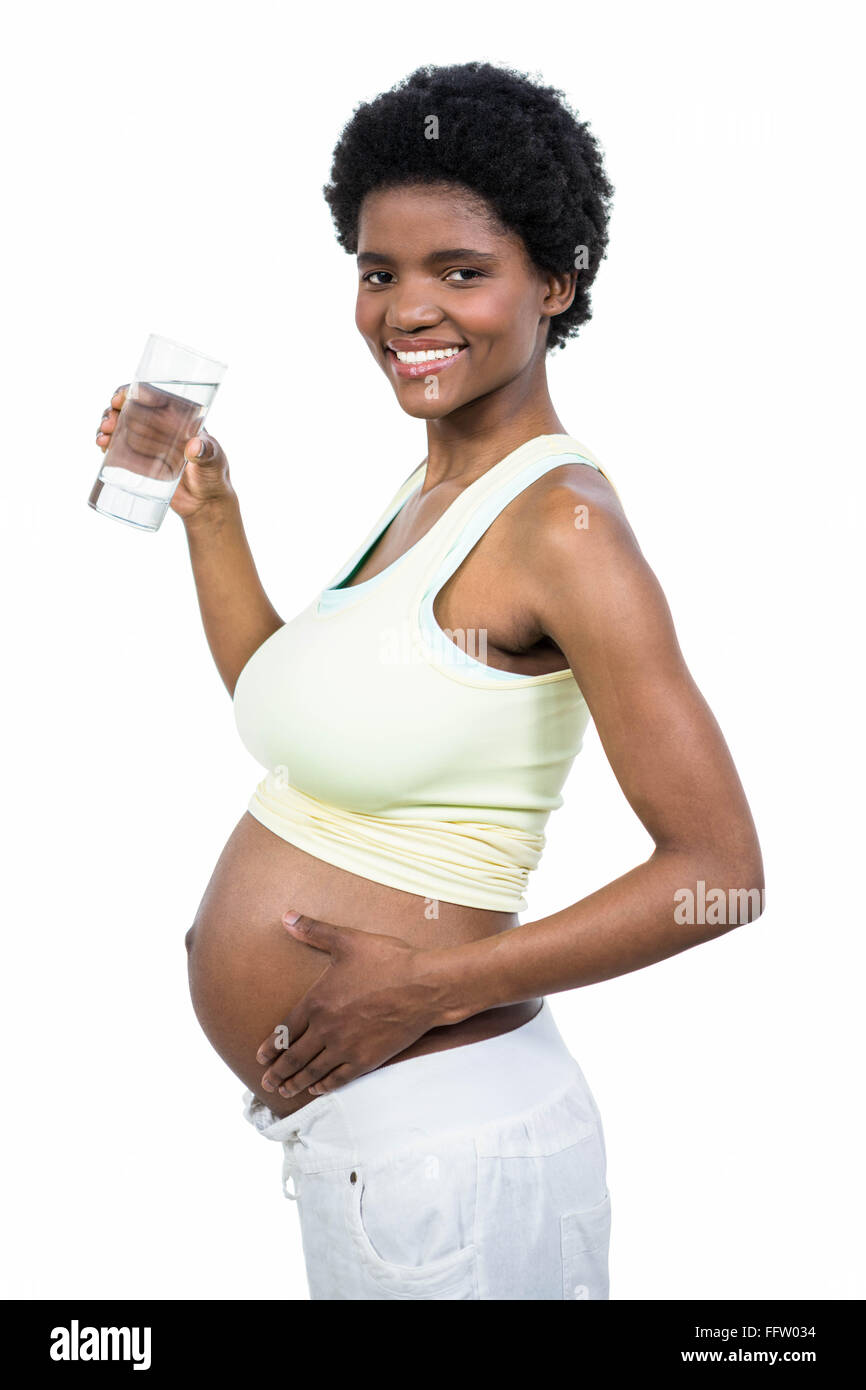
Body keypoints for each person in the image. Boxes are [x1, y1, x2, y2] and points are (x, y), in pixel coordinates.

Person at [95, 60, 764, 1301]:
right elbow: (301, 719)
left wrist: (427, 985)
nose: (407, 309)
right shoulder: (431, 495)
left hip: (449, 1150)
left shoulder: (562, 529)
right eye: (377, 270)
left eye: (461, 271)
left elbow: (719, 883)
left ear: (555, 283)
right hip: (379, 1147)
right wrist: (212, 516)